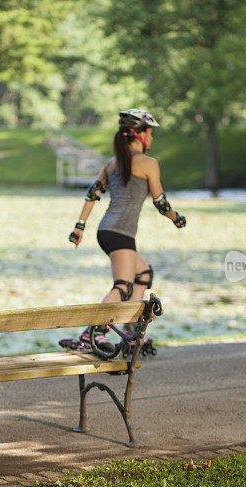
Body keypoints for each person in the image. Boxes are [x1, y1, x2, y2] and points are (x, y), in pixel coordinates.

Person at [63, 109, 186, 354]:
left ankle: (131, 336)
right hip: (120, 232)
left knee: (143, 276)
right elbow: (160, 202)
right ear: (141, 135)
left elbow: (92, 194)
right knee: (123, 286)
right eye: (150, 133)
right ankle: (91, 336)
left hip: (108, 230)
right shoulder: (149, 164)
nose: (151, 138)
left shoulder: (112, 162)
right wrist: (177, 219)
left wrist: (80, 227)